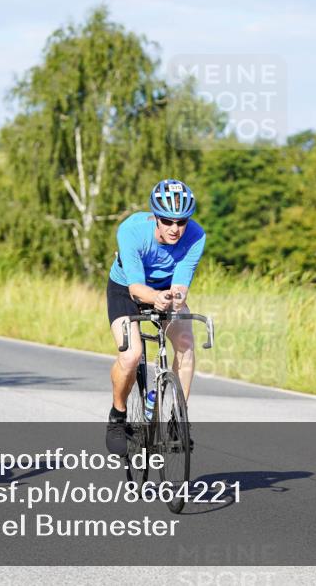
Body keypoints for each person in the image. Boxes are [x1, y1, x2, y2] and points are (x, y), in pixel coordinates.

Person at [104, 179, 206, 457]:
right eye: (167, 221)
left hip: (164, 290)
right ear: (155, 218)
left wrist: (174, 298)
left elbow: (181, 285)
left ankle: (176, 419)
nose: (175, 229)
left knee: (184, 339)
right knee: (131, 354)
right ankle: (117, 416)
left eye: (181, 222)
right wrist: (154, 298)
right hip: (127, 288)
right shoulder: (132, 232)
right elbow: (137, 288)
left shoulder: (196, 235)